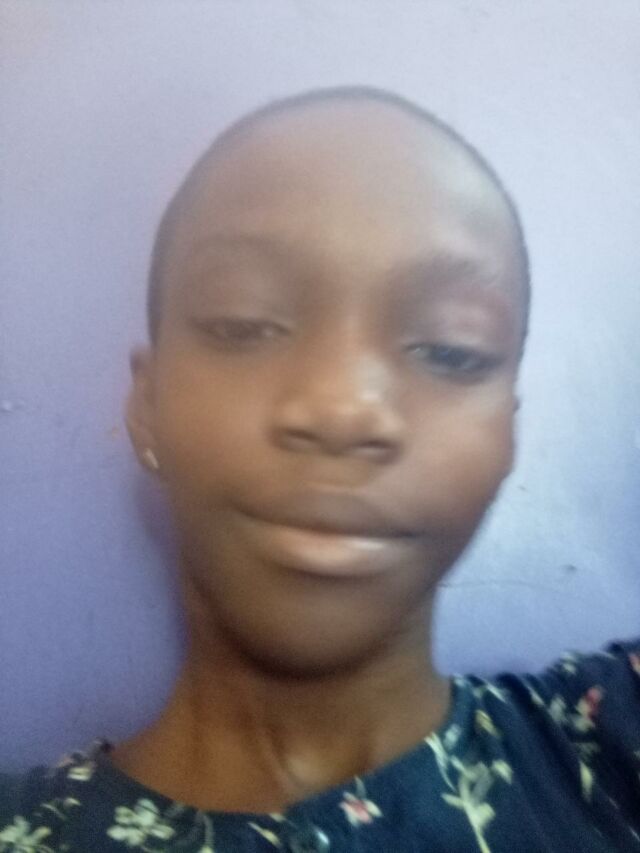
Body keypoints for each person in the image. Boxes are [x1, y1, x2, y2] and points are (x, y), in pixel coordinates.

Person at [0, 86, 638, 853]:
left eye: (450, 348)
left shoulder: (609, 747)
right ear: (147, 406)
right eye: (244, 322)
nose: (344, 410)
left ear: (508, 431)